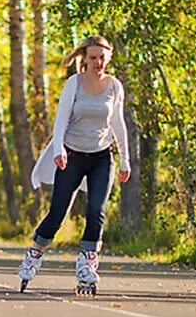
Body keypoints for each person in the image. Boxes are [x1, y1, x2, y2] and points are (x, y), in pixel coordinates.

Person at [18, 34, 131, 295]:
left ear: (108, 58)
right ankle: (35, 253)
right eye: (93, 58)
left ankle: (88, 263)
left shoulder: (114, 87)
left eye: (102, 58)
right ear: (85, 58)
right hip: (72, 155)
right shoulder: (74, 84)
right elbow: (61, 121)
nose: (98, 63)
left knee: (96, 210)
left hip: (102, 156)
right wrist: (59, 150)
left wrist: (125, 159)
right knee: (57, 214)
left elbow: (118, 124)